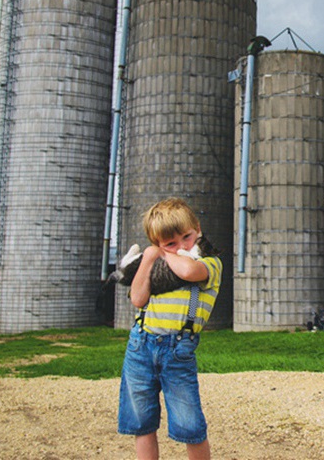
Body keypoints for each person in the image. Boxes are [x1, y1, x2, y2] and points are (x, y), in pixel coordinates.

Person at [118, 197, 222, 460]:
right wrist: (148, 260)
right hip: (140, 345)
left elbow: (188, 270)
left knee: (190, 424)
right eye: (170, 243)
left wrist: (162, 252)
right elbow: (138, 298)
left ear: (197, 229)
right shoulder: (157, 265)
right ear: (157, 243)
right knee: (142, 422)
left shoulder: (210, 264)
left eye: (187, 237)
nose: (182, 247)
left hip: (178, 351)